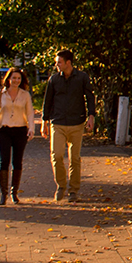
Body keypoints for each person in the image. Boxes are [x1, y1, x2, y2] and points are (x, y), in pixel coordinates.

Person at [42, 49, 95, 202]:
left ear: (68, 63)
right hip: (57, 122)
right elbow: (48, 101)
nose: (56, 64)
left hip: (76, 123)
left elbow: (90, 97)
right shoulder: (54, 80)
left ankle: (73, 190)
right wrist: (44, 121)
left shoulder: (82, 78)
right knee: (57, 155)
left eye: (59, 62)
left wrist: (91, 117)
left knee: (75, 158)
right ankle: (60, 186)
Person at [0, 67, 34, 205]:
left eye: (18, 78)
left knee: (17, 162)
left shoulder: (25, 95)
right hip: (3, 130)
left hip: (20, 130)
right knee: (3, 161)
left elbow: (30, 113)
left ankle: (14, 193)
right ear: (8, 79)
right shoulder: (0, 94)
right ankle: (3, 194)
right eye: (14, 78)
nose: (16, 81)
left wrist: (31, 129)